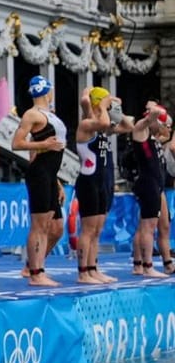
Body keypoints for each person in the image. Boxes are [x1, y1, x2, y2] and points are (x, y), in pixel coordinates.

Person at [11, 75, 69, 286]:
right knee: (40, 226)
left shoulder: (49, 115)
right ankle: (36, 272)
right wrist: (43, 143)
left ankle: (33, 266)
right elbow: (16, 143)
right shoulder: (31, 114)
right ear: (47, 91)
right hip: (39, 174)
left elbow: (43, 152)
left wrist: (57, 182)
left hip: (49, 174)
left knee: (56, 227)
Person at [71, 85, 128, 284]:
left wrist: (114, 107)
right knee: (88, 229)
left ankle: (93, 268)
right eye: (105, 103)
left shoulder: (102, 128)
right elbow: (100, 117)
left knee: (97, 229)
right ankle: (83, 272)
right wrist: (101, 105)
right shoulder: (87, 124)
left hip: (101, 180)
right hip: (88, 181)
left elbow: (127, 125)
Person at [128, 104, 171, 276]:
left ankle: (139, 265)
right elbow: (152, 115)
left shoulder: (153, 138)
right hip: (148, 184)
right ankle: (148, 266)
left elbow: (165, 132)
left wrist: (162, 126)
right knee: (148, 227)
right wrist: (154, 112)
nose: (163, 128)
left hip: (154, 184)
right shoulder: (141, 130)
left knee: (144, 226)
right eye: (161, 125)